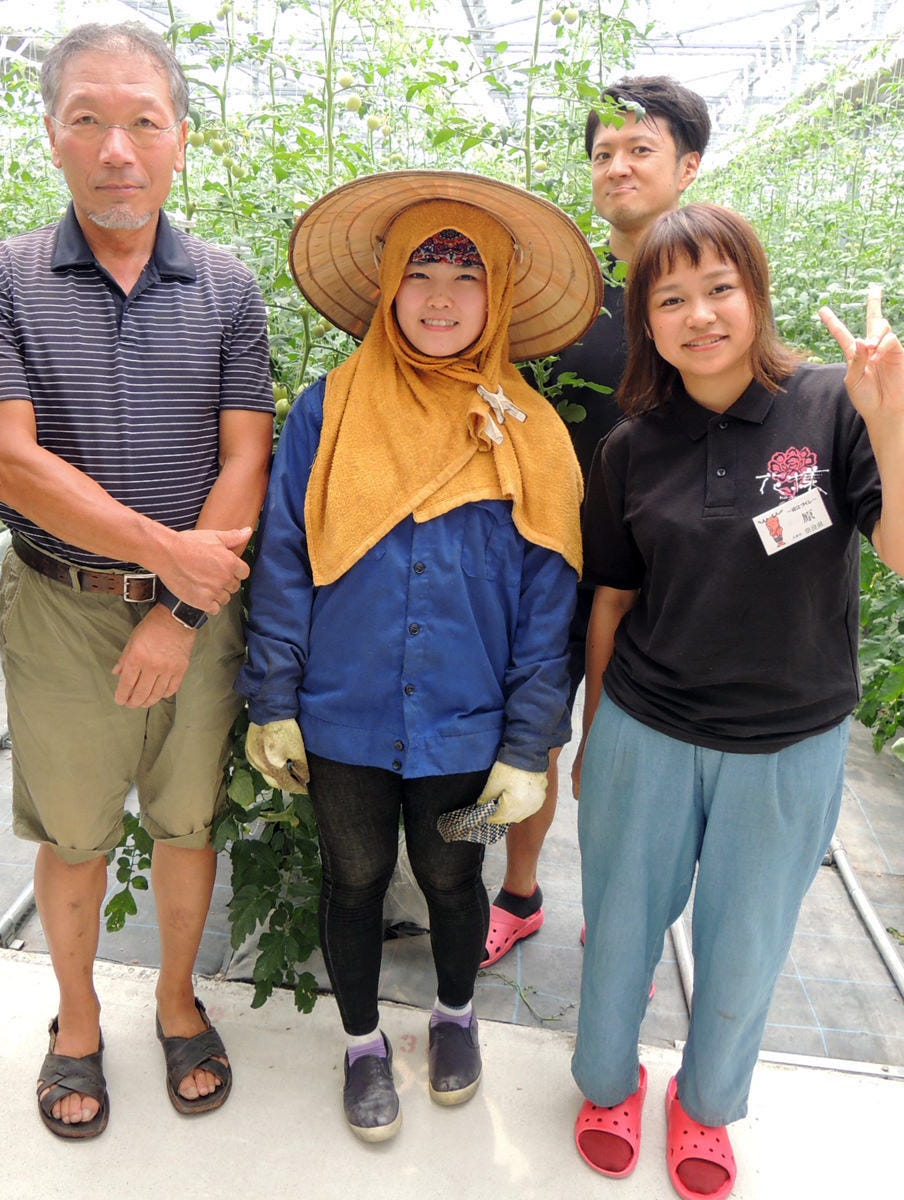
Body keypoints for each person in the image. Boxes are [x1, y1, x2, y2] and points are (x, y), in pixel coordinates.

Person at [0, 21, 273, 1136]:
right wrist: (163, 552)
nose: (117, 148)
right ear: (53, 135)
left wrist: (179, 609)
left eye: (143, 120)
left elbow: (245, 459)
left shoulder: (227, 287)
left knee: (187, 822)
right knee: (74, 834)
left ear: (181, 137)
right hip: (60, 608)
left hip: (198, 613)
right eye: (88, 120)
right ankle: (78, 1020)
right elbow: (10, 463)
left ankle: (178, 999)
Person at [238, 171, 600, 1140]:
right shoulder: (327, 410)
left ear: (499, 295)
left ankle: (454, 1017)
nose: (441, 297)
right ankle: (363, 1043)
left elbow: (548, 605)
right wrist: (273, 697)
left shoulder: (530, 431)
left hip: (466, 726)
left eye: (467, 275)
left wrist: (528, 745)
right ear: (389, 284)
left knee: (452, 876)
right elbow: (285, 559)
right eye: (422, 272)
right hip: (342, 713)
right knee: (354, 876)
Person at [569, 203, 902, 1200]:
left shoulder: (833, 404)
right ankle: (607, 1083)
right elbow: (612, 599)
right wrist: (593, 735)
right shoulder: (632, 445)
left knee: (747, 940)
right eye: (671, 299)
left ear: (756, 294)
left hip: (788, 741)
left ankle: (708, 1104)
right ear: (647, 322)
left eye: (720, 288)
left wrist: (890, 422)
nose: (700, 315)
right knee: (620, 923)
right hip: (647, 727)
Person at [482, 75, 711, 968]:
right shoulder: (562, 291)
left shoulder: (707, 292)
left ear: (688, 167)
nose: (618, 167)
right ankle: (519, 892)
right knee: (533, 731)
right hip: (552, 557)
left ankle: (620, 916)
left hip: (664, 572)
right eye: (603, 152)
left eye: (640, 150)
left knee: (634, 752)